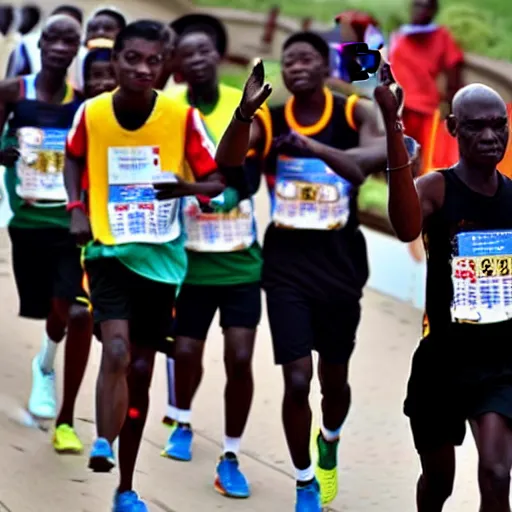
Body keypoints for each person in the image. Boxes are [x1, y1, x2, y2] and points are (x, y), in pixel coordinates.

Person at [64, 19, 270, 512]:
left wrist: (185, 190)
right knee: (114, 350)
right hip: (110, 253)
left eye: (153, 61)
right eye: (131, 58)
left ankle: (126, 487)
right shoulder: (91, 113)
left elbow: (217, 180)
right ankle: (101, 444)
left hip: (161, 263)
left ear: (164, 66)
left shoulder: (179, 118)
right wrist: (76, 208)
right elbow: (73, 157)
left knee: (139, 368)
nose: (141, 68)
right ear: (114, 61)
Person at [216, 31, 387, 511]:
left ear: (324, 63)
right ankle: (304, 480)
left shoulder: (354, 112)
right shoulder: (271, 120)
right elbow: (227, 161)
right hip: (286, 267)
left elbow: (369, 162)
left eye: (306, 58)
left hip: (340, 266)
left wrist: (313, 149)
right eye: (288, 61)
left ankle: (328, 438)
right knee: (296, 380)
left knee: (334, 381)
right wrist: (244, 114)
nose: (296, 67)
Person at [380, 71, 512, 511]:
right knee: (439, 483)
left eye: (499, 124)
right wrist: (392, 127)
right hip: (443, 363)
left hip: (500, 364)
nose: (491, 136)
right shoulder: (436, 189)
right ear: (453, 128)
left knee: (497, 475)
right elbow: (405, 226)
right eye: (476, 126)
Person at [161, 15, 262, 499]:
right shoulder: (169, 107)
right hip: (189, 257)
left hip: (240, 258)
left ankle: (231, 453)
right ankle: (180, 421)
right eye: (187, 52)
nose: (197, 58)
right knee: (184, 352)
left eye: (206, 50)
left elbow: (244, 180)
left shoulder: (246, 108)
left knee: (240, 357)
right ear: (175, 61)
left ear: (219, 55)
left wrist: (193, 185)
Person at [0, 14, 92, 454]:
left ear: (78, 48)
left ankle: (46, 369)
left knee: (72, 308)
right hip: (27, 221)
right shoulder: (13, 92)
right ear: (41, 44)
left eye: (69, 40)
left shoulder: (83, 101)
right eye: (53, 37)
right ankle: (46, 354)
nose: (60, 45)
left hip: (70, 223)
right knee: (46, 308)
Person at [389, 0, 463, 176]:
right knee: (396, 153)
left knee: (423, 157)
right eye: (417, 5)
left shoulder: (441, 36)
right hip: (398, 106)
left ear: (434, 10)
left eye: (426, 6)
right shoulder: (399, 35)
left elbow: (454, 70)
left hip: (425, 108)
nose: (421, 10)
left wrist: (452, 105)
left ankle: (418, 194)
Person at [6, 5, 83, 78]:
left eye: (68, 40)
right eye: (53, 38)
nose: (59, 47)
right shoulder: (27, 44)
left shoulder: (84, 55)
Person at [73, 7, 127, 92]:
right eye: (93, 29)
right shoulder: (75, 61)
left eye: (108, 29)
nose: (100, 33)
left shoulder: (127, 62)